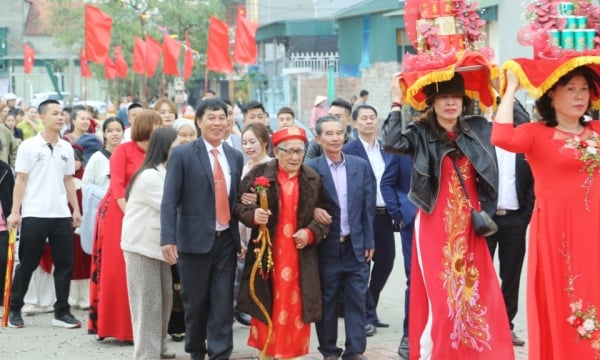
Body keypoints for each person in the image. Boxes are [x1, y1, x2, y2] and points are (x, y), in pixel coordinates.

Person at [382, 72, 514, 358]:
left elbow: (515, 127)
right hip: (434, 224)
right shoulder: (420, 133)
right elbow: (391, 142)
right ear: (432, 102)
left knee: (471, 294)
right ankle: (439, 351)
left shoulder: (478, 128)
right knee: (443, 299)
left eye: (455, 97)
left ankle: (472, 352)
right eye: (443, 98)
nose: (450, 103)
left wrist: (505, 90)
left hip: (470, 225)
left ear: (464, 101)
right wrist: (396, 99)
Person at [493, 63, 600, 359]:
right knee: (564, 298)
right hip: (557, 233)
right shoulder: (535, 133)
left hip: (595, 230)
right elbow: (501, 137)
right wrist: (512, 87)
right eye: (570, 90)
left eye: (584, 90)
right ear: (551, 95)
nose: (580, 97)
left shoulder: (597, 130)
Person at [235, 126, 330, 359]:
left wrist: (309, 233)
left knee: (296, 306)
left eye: (300, 151)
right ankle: (267, 352)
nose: (295, 157)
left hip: (300, 257)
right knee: (268, 301)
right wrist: (252, 215)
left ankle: (291, 353)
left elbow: (326, 216)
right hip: (266, 253)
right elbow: (239, 205)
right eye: (289, 151)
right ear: (276, 151)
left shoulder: (312, 178)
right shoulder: (260, 175)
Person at [160, 98, 244, 360]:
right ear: (199, 121)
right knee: (195, 304)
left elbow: (235, 200)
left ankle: (220, 353)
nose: (218, 123)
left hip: (226, 242)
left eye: (222, 118)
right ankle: (196, 350)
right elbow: (170, 200)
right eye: (212, 118)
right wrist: (168, 239)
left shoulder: (235, 156)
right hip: (193, 242)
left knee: (222, 304)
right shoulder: (183, 154)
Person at [6, 99, 82, 329]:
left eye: (62, 114)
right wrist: (14, 211)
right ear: (42, 117)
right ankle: (15, 309)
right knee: (28, 263)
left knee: (65, 264)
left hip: (60, 215)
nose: (61, 117)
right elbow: (21, 180)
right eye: (55, 113)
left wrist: (75, 210)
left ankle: (62, 311)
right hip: (34, 214)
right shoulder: (29, 146)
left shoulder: (66, 147)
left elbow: (69, 180)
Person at [89, 109, 161, 342]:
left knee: (148, 276)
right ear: (146, 127)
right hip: (120, 215)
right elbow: (118, 186)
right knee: (119, 271)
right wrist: (131, 214)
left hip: (150, 214)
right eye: (157, 124)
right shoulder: (123, 150)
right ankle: (119, 329)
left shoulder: (157, 153)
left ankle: (145, 331)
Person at [306, 116, 374, 360]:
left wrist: (369, 241)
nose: (335, 138)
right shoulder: (312, 168)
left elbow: (367, 207)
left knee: (357, 299)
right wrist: (313, 210)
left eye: (339, 133)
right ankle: (329, 350)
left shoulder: (359, 165)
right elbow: (302, 207)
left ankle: (355, 351)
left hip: (356, 247)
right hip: (327, 248)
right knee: (328, 300)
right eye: (329, 134)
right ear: (318, 138)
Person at [122, 127, 178, 360]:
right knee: (147, 306)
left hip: (158, 249)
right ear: (165, 147)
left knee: (164, 302)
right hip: (141, 248)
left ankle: (159, 348)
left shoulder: (163, 172)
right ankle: (146, 354)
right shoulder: (150, 176)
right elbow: (172, 207)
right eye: (176, 146)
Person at [487, 97, 534, 347]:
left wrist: (525, 217)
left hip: (515, 220)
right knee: (482, 274)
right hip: (487, 220)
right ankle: (483, 325)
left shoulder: (524, 147)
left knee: (511, 275)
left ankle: (507, 325)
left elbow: (533, 185)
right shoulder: (484, 143)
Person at [343, 104, 394, 337]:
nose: (369, 121)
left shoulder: (386, 148)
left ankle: (369, 305)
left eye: (372, 117)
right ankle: (365, 314)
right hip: (364, 217)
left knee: (386, 262)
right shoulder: (350, 150)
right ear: (354, 123)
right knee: (363, 266)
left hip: (385, 216)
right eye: (364, 118)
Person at [234, 122, 272, 327]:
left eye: (253, 142)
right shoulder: (242, 166)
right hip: (241, 227)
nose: (248, 147)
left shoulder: (271, 166)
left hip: (261, 231)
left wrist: (259, 202)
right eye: (244, 142)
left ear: (264, 142)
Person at [380, 151, 416, 359]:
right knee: (415, 280)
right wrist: (399, 215)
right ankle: (409, 335)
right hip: (412, 222)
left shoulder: (449, 139)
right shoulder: (404, 145)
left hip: (445, 222)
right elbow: (387, 183)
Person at [166, 118, 197, 343]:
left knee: (189, 282)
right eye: (182, 134)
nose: (186, 139)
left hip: (194, 230)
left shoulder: (201, 159)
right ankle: (174, 326)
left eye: (190, 134)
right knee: (173, 281)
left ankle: (191, 327)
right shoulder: (167, 161)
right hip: (172, 227)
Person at [80, 117, 124, 256]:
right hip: (102, 211)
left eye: (118, 130)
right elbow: (85, 185)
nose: (115, 134)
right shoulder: (97, 158)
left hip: (124, 209)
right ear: (104, 134)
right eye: (110, 131)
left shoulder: (126, 156)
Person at [0, 141, 14, 305]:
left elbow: (11, 194)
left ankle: (1, 302)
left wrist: (13, 214)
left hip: (2, 226)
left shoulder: (5, 170)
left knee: (2, 261)